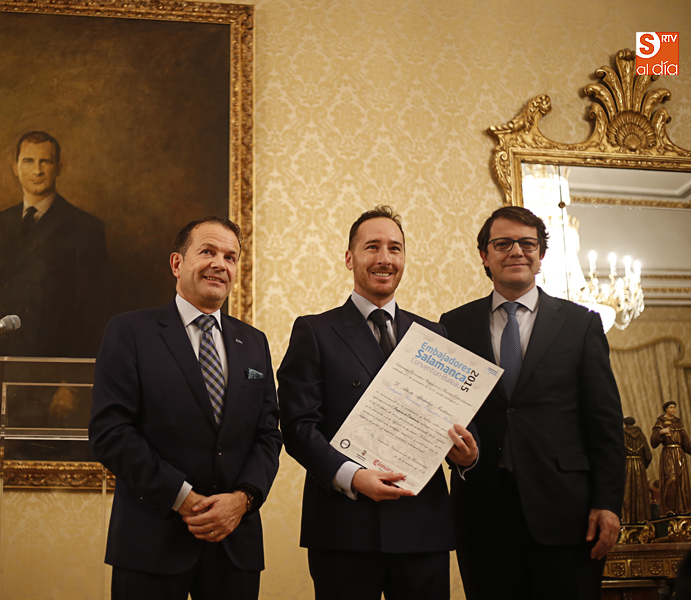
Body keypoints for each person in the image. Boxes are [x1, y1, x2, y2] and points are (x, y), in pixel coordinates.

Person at [277, 205, 478, 600]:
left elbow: (460, 422)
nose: (385, 258)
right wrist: (352, 477)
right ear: (350, 258)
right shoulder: (314, 331)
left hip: (423, 528)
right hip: (344, 528)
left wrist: (467, 455)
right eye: (372, 247)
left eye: (395, 248)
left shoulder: (434, 335)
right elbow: (298, 428)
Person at [89, 216, 282, 600]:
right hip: (151, 543)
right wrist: (183, 498)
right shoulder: (129, 332)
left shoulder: (254, 342)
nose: (219, 264)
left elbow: (268, 434)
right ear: (177, 263)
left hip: (234, 545)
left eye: (230, 257)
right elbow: (111, 433)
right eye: (207, 251)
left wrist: (241, 501)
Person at [439, 205, 625, 600]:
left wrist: (608, 503)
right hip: (482, 513)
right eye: (503, 243)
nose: (516, 252)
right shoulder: (453, 325)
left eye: (528, 243)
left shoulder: (581, 324)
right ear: (484, 256)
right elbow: (443, 411)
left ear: (541, 256)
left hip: (569, 515)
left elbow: (605, 423)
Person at [0, 131, 112, 458]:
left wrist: (72, 383)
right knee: (2, 474)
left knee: (47, 477)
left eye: (45, 161)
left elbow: (93, 314)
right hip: (2, 375)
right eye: (28, 161)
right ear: (14, 167)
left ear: (59, 167)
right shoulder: (0, 223)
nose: (37, 170)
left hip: (52, 381)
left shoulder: (85, 228)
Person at [651, 401, 691, 516]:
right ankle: (669, 509)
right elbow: (653, 441)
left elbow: (686, 442)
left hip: (679, 454)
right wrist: (661, 432)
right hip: (668, 454)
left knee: (682, 480)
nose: (673, 410)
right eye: (671, 407)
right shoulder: (660, 422)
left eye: (674, 407)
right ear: (666, 409)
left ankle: (682, 508)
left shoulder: (678, 423)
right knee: (671, 479)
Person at [622, 416, 652, 523]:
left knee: (627, 492)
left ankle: (627, 520)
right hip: (640, 465)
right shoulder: (641, 436)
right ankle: (642, 519)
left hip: (626, 465)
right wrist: (643, 466)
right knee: (640, 492)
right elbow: (648, 455)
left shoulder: (621, 435)